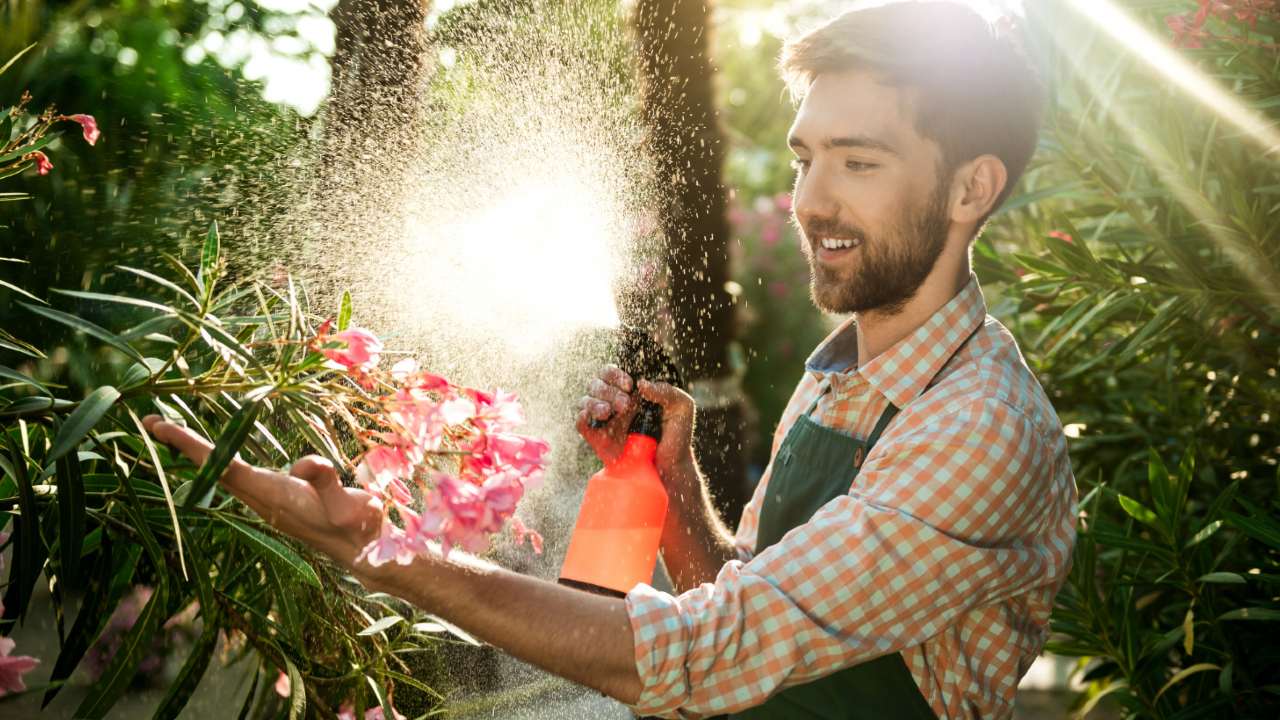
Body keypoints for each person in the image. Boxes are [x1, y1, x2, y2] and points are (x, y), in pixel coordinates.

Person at [145, 2, 1077, 717]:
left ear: (971, 187)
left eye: (858, 163)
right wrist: (674, 494)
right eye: (803, 160)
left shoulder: (977, 426)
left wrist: (380, 549)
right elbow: (754, 600)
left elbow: (712, 649)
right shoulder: (843, 374)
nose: (811, 202)